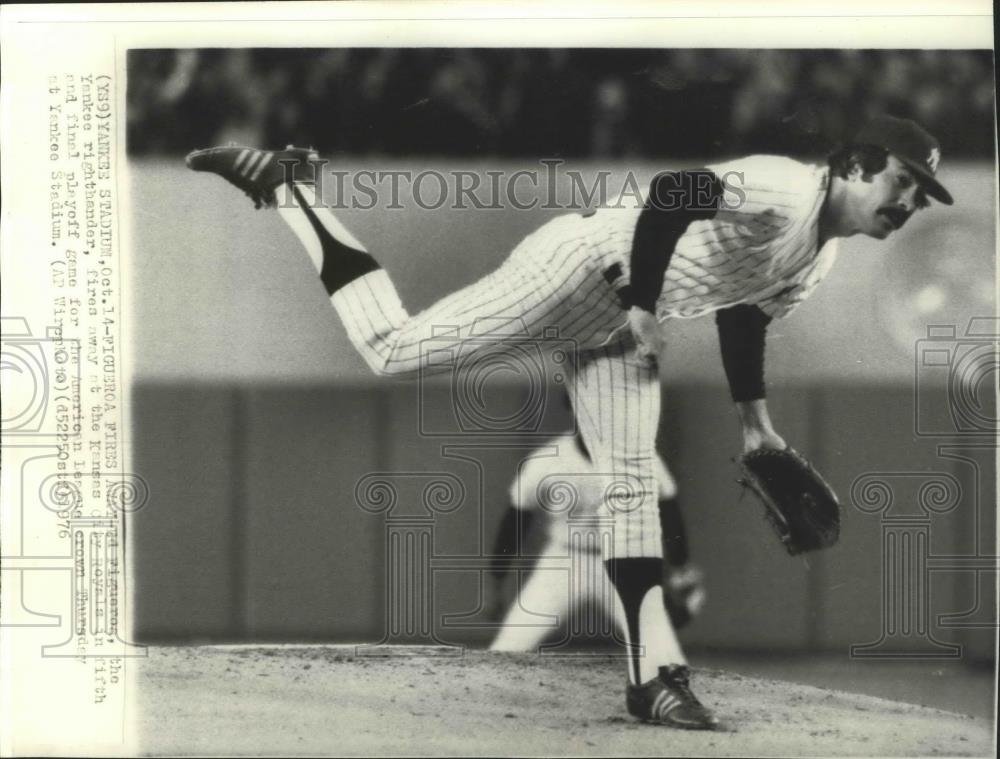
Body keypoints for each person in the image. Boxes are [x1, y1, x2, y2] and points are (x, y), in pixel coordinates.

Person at [186, 114, 953, 729]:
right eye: (907, 182)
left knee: (628, 486)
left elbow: (745, 318)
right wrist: (648, 304)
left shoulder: (818, 259)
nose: (912, 202)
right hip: (583, 270)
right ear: (858, 163)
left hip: (620, 322)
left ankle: (654, 679)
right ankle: (290, 188)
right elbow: (672, 196)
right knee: (391, 348)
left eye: (923, 195)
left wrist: (755, 423)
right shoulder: (787, 187)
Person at [488, 427, 706, 653]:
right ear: (574, 410)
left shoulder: (639, 456)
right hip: (564, 560)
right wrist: (495, 582)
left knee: (663, 653)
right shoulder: (547, 460)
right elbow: (515, 521)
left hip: (623, 561)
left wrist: (680, 568)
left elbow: (669, 509)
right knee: (509, 646)